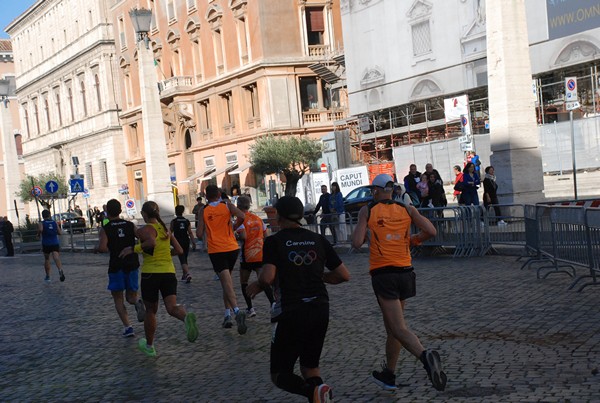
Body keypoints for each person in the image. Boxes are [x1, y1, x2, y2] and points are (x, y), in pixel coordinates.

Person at [246, 196, 351, 403]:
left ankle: (311, 392)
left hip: (291, 311)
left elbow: (267, 277)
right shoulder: (318, 240)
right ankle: (320, 391)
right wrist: (320, 276)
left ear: (279, 216)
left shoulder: (274, 242)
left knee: (279, 374)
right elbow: (343, 275)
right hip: (320, 308)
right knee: (310, 367)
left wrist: (257, 285)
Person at [351, 174, 447, 392]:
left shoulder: (368, 209)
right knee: (392, 328)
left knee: (398, 327)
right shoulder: (406, 208)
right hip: (406, 272)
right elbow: (431, 231)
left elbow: (356, 242)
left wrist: (363, 228)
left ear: (375, 191)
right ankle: (389, 375)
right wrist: (412, 240)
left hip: (384, 274)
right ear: (393, 190)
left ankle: (426, 356)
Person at [119, 201, 198, 357]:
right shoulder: (165, 229)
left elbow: (151, 242)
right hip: (168, 273)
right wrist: (167, 255)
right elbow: (180, 250)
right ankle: (185, 317)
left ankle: (150, 346)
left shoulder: (146, 229)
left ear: (145, 214)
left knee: (150, 311)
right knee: (171, 307)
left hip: (151, 274)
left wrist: (132, 249)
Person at [196, 184, 248, 334]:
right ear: (219, 195)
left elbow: (199, 234)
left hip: (217, 250)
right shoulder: (227, 205)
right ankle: (227, 314)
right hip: (232, 248)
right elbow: (242, 216)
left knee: (226, 282)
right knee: (227, 282)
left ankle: (237, 312)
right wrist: (232, 227)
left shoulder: (203, 210)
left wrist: (206, 228)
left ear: (206, 196)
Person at [95, 199, 146, 337]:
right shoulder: (130, 225)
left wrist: (98, 248)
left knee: (118, 298)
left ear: (107, 211)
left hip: (116, 265)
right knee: (131, 296)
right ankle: (137, 302)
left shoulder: (105, 228)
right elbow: (142, 237)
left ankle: (128, 327)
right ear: (120, 210)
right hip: (132, 263)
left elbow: (103, 248)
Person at [235, 195, 274, 317]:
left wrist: (235, 236)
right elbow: (266, 236)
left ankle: (250, 308)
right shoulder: (258, 219)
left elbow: (243, 237)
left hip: (247, 254)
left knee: (244, 282)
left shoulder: (240, 220)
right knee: (264, 281)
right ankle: (273, 303)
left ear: (238, 207)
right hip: (259, 254)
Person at [37, 209, 65, 283]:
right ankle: (60, 270)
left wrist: (38, 234)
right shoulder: (54, 222)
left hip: (46, 243)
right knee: (56, 257)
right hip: (55, 242)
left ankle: (48, 276)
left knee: (47, 259)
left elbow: (40, 229)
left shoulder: (42, 223)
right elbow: (59, 232)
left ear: (43, 216)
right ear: (49, 215)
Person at [170, 205, 196, 283]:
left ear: (175, 211)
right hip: (186, 240)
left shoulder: (174, 221)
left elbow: (170, 232)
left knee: (182, 258)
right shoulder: (186, 221)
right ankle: (184, 275)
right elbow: (190, 232)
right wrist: (193, 242)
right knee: (185, 257)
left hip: (178, 241)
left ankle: (187, 274)